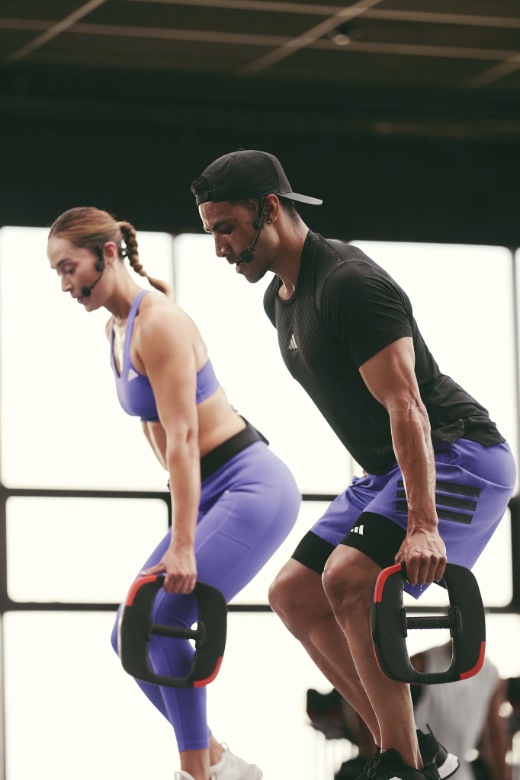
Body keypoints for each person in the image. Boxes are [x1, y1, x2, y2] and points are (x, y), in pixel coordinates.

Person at [190, 149, 517, 780]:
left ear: (270, 208)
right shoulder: (279, 300)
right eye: (210, 232)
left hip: (459, 456)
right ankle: (413, 750)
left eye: (226, 227)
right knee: (292, 593)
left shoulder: (347, 283)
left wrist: (422, 523)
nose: (221, 248)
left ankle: (405, 762)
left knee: (346, 578)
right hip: (387, 472)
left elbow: (408, 408)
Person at [47, 206, 302, 780]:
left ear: (107, 253)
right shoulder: (117, 330)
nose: (65, 285)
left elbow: (185, 439)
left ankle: (198, 772)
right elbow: (158, 435)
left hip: (251, 485)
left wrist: (183, 545)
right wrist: (185, 528)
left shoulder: (159, 322)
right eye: (58, 274)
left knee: (160, 616)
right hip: (213, 492)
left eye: (70, 268)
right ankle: (216, 759)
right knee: (128, 634)